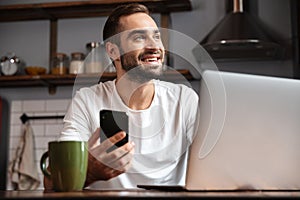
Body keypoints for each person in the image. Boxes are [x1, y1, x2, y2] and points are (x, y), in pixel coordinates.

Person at [44, 3, 199, 190]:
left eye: (156, 37)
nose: (154, 46)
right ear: (113, 51)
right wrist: (91, 172)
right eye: (140, 37)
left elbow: (213, 161)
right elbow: (51, 183)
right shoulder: (88, 100)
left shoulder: (184, 99)